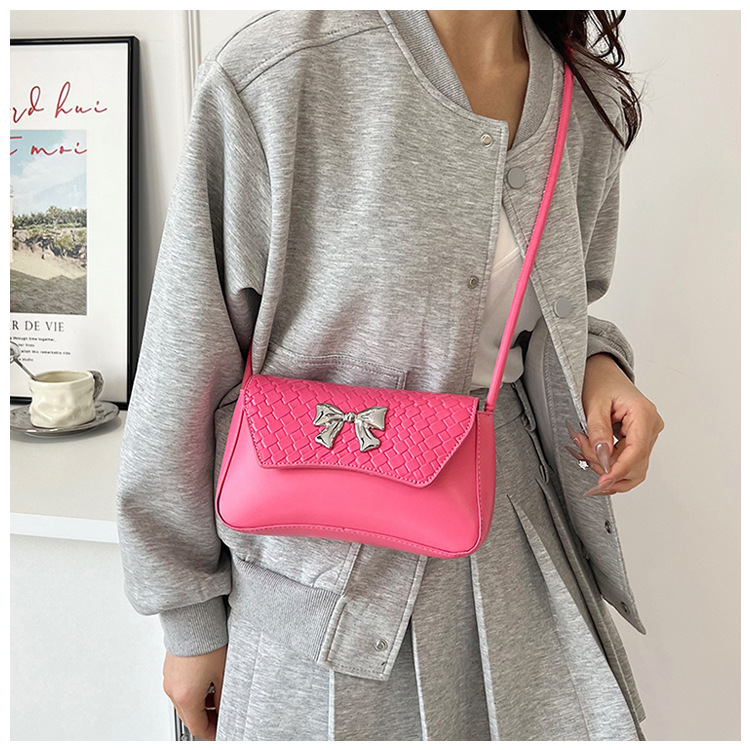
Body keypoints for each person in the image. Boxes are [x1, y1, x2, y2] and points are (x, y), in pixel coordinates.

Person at [116, 10, 664, 741]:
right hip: (318, 580)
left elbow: (561, 305)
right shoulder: (281, 73)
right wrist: (188, 619)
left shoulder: (584, 99)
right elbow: (188, 351)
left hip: (509, 547)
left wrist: (601, 366)